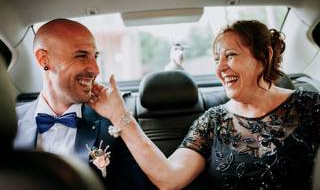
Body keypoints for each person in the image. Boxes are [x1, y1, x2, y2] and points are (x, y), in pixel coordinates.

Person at [88, 20, 320, 190]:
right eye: (217, 60)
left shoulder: (311, 106)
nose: (220, 69)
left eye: (230, 55)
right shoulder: (214, 121)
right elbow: (169, 178)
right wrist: (119, 115)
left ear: (264, 56)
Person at [14, 18, 149, 190]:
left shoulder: (114, 123)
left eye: (95, 57)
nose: (95, 69)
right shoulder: (8, 123)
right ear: (44, 60)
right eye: (81, 56)